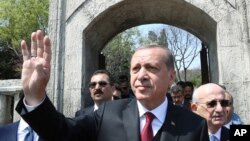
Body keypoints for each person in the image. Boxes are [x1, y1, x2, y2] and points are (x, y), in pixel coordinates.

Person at [16, 30, 209, 141]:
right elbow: (61, 133)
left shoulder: (195, 125)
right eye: (136, 68)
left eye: (151, 68)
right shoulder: (108, 113)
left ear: (171, 76)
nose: (141, 75)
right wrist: (35, 96)